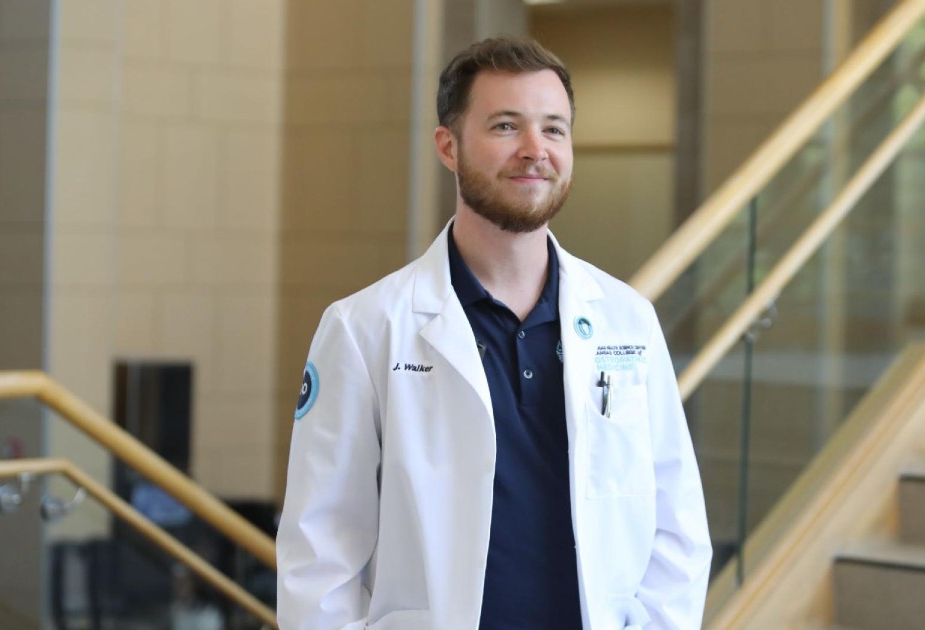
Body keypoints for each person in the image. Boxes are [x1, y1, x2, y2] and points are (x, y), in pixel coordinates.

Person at [276, 36, 711, 630]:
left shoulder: (626, 319)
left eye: (554, 129)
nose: (536, 150)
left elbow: (677, 524)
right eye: (507, 126)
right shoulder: (364, 329)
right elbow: (318, 552)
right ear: (448, 147)